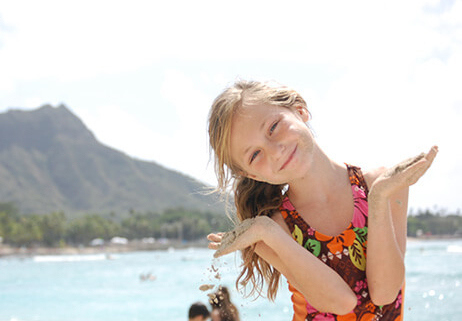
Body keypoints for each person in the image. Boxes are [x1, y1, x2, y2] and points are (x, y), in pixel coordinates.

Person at [206, 80, 438, 320]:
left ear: (299, 110)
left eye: (273, 127)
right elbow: (340, 302)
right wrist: (267, 231)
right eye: (255, 154)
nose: (275, 151)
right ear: (252, 175)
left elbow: (385, 293)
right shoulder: (272, 230)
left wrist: (378, 199)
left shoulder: (381, 184)